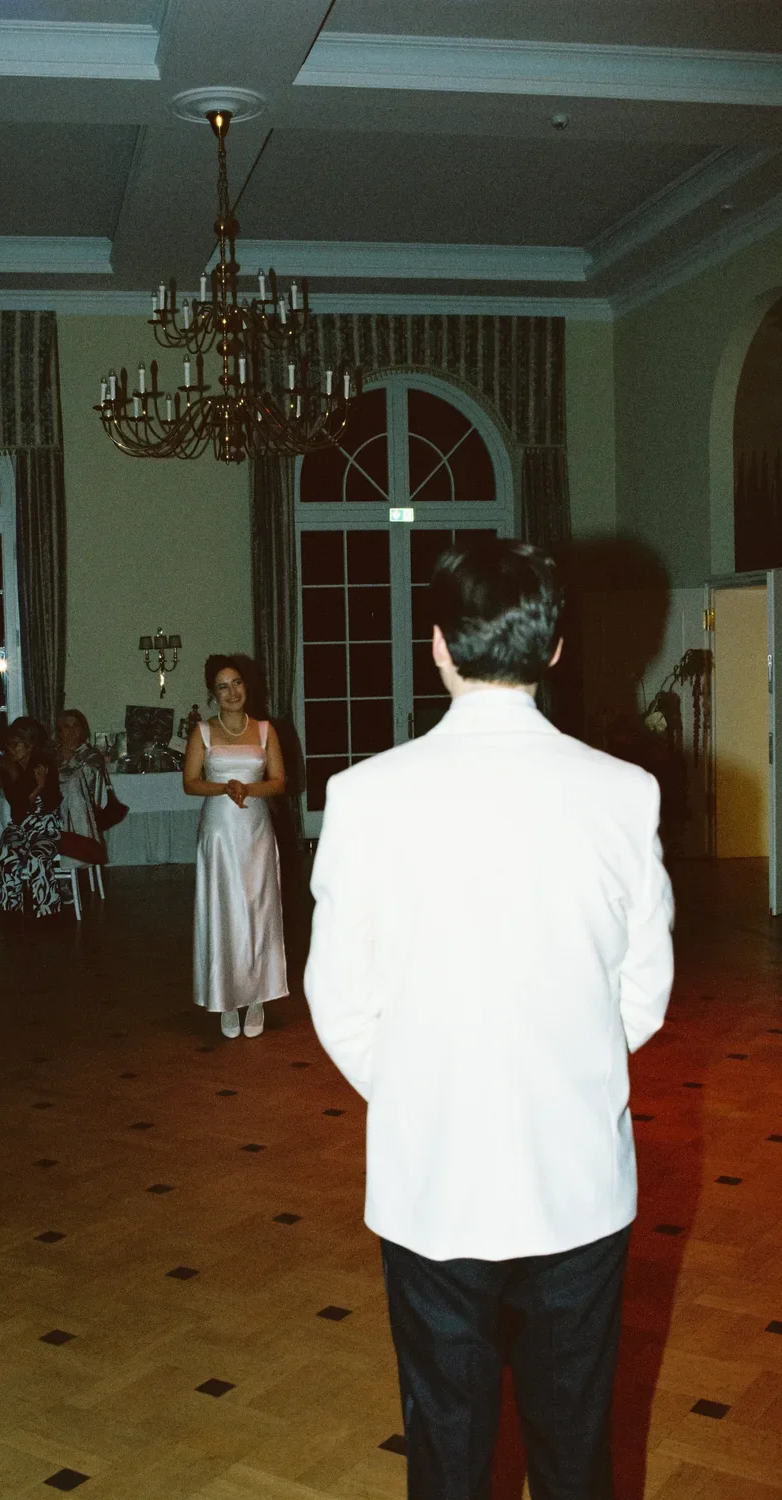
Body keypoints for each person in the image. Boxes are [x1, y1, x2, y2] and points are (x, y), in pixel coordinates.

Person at [305, 538, 674, 1500]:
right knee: (574, 1450)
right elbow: (643, 992)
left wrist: (428, 1084)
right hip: (578, 1182)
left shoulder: (364, 797)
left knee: (448, 1450)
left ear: (436, 646)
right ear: (553, 649)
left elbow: (338, 999)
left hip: (433, 1180)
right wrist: (562, 1063)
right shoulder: (623, 796)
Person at [183, 654, 288, 1039]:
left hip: (256, 829)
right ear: (213, 693)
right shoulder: (203, 732)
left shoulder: (264, 730)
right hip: (219, 832)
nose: (232, 692)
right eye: (223, 686)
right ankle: (226, 998)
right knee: (223, 909)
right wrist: (224, 788)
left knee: (258, 908)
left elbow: (278, 781)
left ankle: (257, 995)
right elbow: (190, 782)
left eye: (237, 683)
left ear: (248, 687)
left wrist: (248, 788)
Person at [0, 717, 62, 917]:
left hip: (46, 825)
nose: (10, 749)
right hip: (20, 825)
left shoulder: (44, 763)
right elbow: (16, 803)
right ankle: (12, 909)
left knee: (37, 858)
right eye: (9, 744)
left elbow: (51, 802)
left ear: (30, 744)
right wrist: (36, 788)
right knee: (6, 853)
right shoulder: (7, 765)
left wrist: (40, 787)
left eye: (15, 744)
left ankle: (47, 911)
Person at [55, 708, 111, 843]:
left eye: (75, 726)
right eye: (66, 726)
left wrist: (70, 759)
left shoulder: (92, 754)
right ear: (60, 731)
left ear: (83, 730)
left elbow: (87, 778)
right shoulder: (52, 754)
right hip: (55, 805)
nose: (71, 730)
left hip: (84, 806)